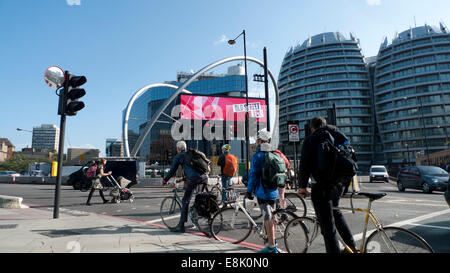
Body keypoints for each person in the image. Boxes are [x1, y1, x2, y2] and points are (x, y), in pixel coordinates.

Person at [297, 116, 357, 253]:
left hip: (322, 186)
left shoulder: (311, 139)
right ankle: (352, 247)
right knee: (337, 215)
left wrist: (302, 187)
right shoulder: (338, 134)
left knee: (328, 227)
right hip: (338, 184)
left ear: (312, 128)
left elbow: (304, 165)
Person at [162, 141, 208, 233]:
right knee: (200, 197)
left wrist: (165, 180)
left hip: (195, 179)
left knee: (185, 200)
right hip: (204, 177)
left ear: (178, 149)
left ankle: (181, 226)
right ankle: (200, 214)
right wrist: (183, 178)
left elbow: (172, 171)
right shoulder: (192, 153)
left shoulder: (179, 156)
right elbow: (191, 169)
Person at [246, 129, 280, 253]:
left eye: (257, 140)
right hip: (274, 191)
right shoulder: (275, 153)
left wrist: (249, 190)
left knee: (267, 217)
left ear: (260, 141)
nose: (256, 142)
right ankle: (273, 240)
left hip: (262, 191)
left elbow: (253, 175)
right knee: (273, 216)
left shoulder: (258, 156)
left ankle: (271, 247)